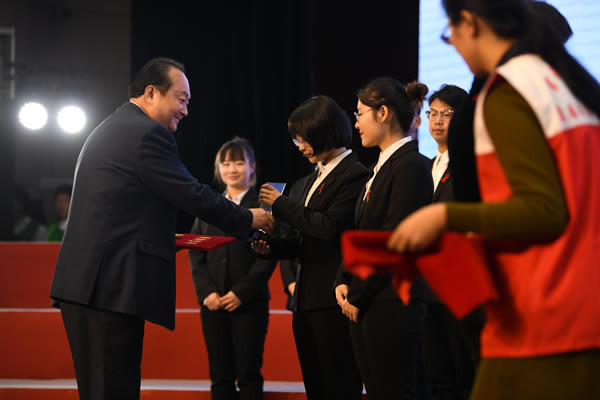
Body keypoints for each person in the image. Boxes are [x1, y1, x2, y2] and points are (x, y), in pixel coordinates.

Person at [388, 1, 600, 399]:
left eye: (448, 34)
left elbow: (544, 211)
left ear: (469, 23)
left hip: (542, 310)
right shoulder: (562, 87)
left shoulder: (508, 92)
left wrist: (442, 217)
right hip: (580, 306)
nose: (453, 45)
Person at [49, 57, 274, 400]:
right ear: (152, 93)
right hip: (106, 287)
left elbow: (120, 208)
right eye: (181, 99)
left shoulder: (117, 126)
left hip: (95, 284)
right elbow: (189, 193)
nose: (185, 110)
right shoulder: (145, 133)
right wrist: (249, 218)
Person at [253, 95, 367, 400]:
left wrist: (281, 205)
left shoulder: (355, 174)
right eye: (296, 140)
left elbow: (329, 227)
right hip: (303, 301)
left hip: (333, 298)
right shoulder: (306, 181)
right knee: (315, 386)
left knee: (339, 386)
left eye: (303, 139)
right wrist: (271, 248)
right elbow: (303, 240)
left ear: (324, 132)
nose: (300, 146)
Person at [334, 78, 433, 400]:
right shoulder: (381, 167)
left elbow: (393, 238)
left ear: (383, 113)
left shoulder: (411, 166)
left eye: (360, 113)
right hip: (370, 300)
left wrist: (357, 294)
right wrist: (343, 279)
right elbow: (361, 233)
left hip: (392, 301)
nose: (356, 123)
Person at [188, 137, 277, 400]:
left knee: (249, 375)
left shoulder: (263, 205)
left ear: (252, 167)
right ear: (218, 168)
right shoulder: (210, 204)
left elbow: (268, 255)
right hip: (213, 304)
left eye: (239, 162)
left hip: (250, 304)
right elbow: (196, 251)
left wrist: (241, 293)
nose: (232, 169)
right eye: (225, 164)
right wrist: (207, 293)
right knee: (220, 377)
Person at [423, 84, 476, 400]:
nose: (438, 120)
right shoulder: (424, 165)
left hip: (460, 282)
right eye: (432, 113)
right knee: (436, 375)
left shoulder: (471, 165)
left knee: (464, 374)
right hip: (425, 284)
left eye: (447, 113)